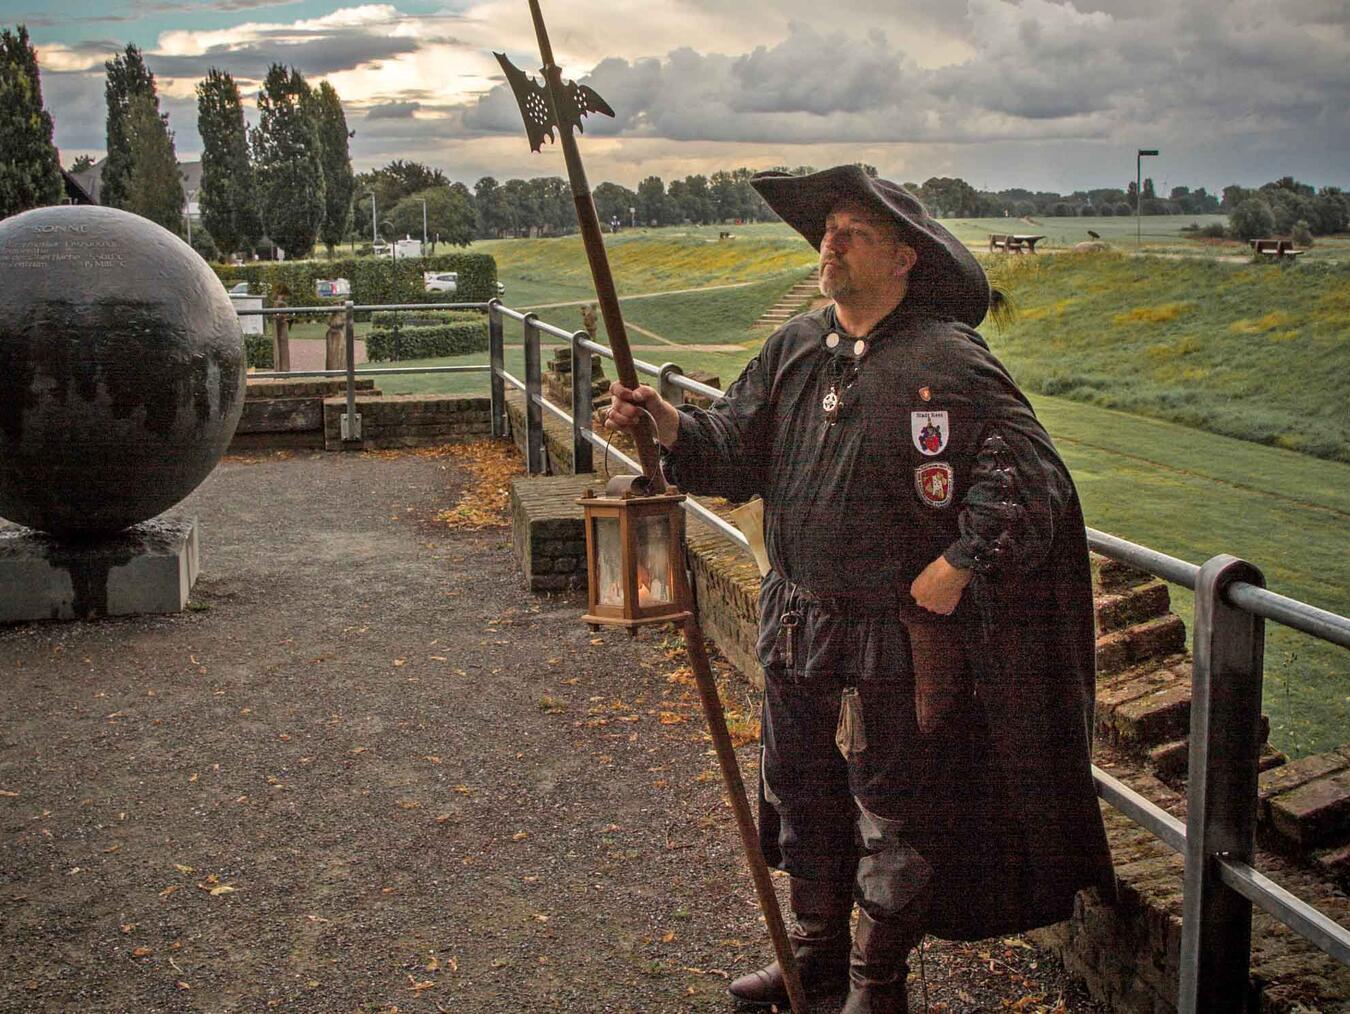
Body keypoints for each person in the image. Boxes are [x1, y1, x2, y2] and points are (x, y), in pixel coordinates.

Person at [605, 165, 1114, 1014]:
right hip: (798, 621)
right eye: (827, 233)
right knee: (801, 795)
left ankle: (878, 987)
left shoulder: (947, 357)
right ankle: (815, 961)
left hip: (895, 639)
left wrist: (959, 564)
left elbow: (1031, 475)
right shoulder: (796, 347)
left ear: (904, 258)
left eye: (853, 234)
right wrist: (667, 423)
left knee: (892, 814)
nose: (829, 245)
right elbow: (732, 449)